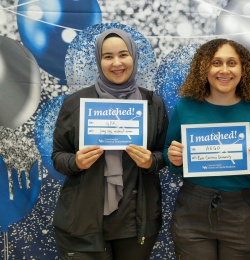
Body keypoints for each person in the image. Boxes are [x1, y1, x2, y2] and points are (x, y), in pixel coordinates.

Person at [51, 28, 168, 260]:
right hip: (84, 223)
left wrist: (151, 161)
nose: (117, 63)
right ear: (99, 60)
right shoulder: (76, 103)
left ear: (134, 57)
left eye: (123, 54)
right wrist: (75, 161)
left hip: (135, 223)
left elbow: (164, 154)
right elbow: (58, 156)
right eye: (108, 56)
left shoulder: (153, 103)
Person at [164, 38, 250, 259]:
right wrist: (173, 158)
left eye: (232, 63)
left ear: (244, 69)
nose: (224, 70)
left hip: (241, 211)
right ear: (204, 68)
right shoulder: (185, 107)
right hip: (192, 209)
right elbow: (169, 153)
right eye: (216, 63)